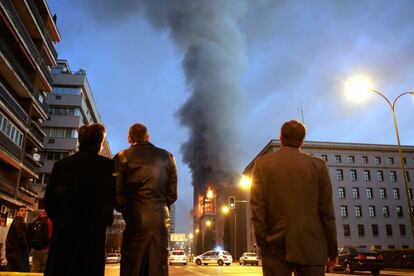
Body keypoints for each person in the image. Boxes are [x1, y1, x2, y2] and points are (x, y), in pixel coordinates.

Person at [250, 120, 338, 276]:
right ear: (302, 140)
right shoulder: (318, 166)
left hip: (275, 246)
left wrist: (263, 241)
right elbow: (327, 213)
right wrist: (332, 251)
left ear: (281, 138)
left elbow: (257, 206)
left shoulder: (262, 165)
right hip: (312, 246)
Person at [44, 124, 115, 276]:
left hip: (64, 234)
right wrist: (104, 219)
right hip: (93, 234)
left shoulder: (61, 165)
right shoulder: (107, 166)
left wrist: (61, 219)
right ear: (100, 143)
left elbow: (49, 201)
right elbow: (112, 198)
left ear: (79, 141)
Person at [114, 123, 178, 276]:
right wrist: (161, 207)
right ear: (147, 137)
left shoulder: (121, 158)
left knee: (133, 266)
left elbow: (117, 196)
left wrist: (130, 211)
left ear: (129, 138)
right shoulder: (167, 157)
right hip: (160, 220)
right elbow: (172, 193)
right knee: (158, 266)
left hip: (135, 219)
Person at [5, 205, 29, 272]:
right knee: (23, 272)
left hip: (12, 251)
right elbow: (21, 236)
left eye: (25, 211)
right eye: (22, 210)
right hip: (18, 252)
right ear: (17, 212)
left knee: (11, 271)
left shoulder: (16, 221)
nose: (24, 212)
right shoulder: (18, 222)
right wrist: (26, 247)